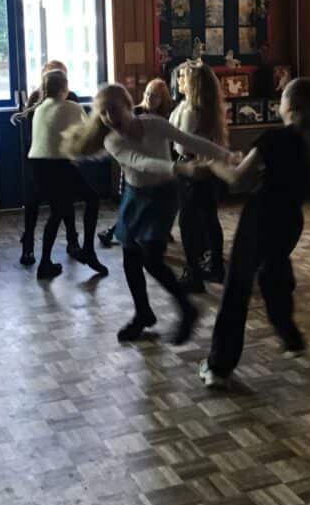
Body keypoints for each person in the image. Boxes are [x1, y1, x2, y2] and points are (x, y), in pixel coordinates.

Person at [198, 78, 310, 388]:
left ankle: (218, 366)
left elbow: (237, 180)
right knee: (274, 273)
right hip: (290, 221)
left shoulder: (274, 138)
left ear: (290, 106)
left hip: (260, 217)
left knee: (237, 287)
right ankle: (292, 338)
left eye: (282, 96)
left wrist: (214, 163)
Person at [64, 84, 231, 345]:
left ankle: (187, 309)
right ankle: (143, 313)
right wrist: (180, 168)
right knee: (130, 256)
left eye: (113, 109)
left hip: (163, 196)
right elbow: (140, 163)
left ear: (128, 105)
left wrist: (226, 156)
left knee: (152, 259)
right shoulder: (112, 140)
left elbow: (190, 140)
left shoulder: (155, 124)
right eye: (103, 113)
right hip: (135, 195)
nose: (109, 117)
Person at [16, 61, 101, 269]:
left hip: (38, 164)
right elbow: (89, 132)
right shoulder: (72, 106)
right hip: (59, 165)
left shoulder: (39, 107)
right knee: (90, 199)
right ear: (65, 87)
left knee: (58, 210)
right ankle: (86, 250)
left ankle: (46, 261)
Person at [170, 62, 227, 292]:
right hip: (208, 169)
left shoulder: (191, 111)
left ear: (192, 83)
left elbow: (182, 144)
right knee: (209, 219)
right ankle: (216, 267)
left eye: (182, 77)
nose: (179, 81)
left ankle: (193, 273)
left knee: (188, 224)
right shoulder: (201, 107)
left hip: (192, 169)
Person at [98, 78, 172, 249]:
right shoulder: (136, 113)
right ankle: (115, 232)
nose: (149, 98)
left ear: (162, 100)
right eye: (147, 94)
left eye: (154, 96)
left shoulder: (163, 117)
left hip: (157, 168)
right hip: (135, 167)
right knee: (133, 207)